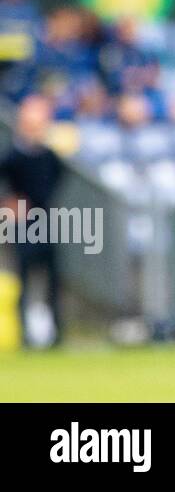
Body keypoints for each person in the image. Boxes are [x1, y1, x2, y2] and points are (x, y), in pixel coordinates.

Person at [0, 94, 64, 346]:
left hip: (47, 222)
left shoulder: (49, 156)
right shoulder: (12, 156)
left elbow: (57, 181)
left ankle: (57, 334)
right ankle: (25, 334)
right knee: (24, 279)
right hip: (23, 225)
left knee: (53, 278)